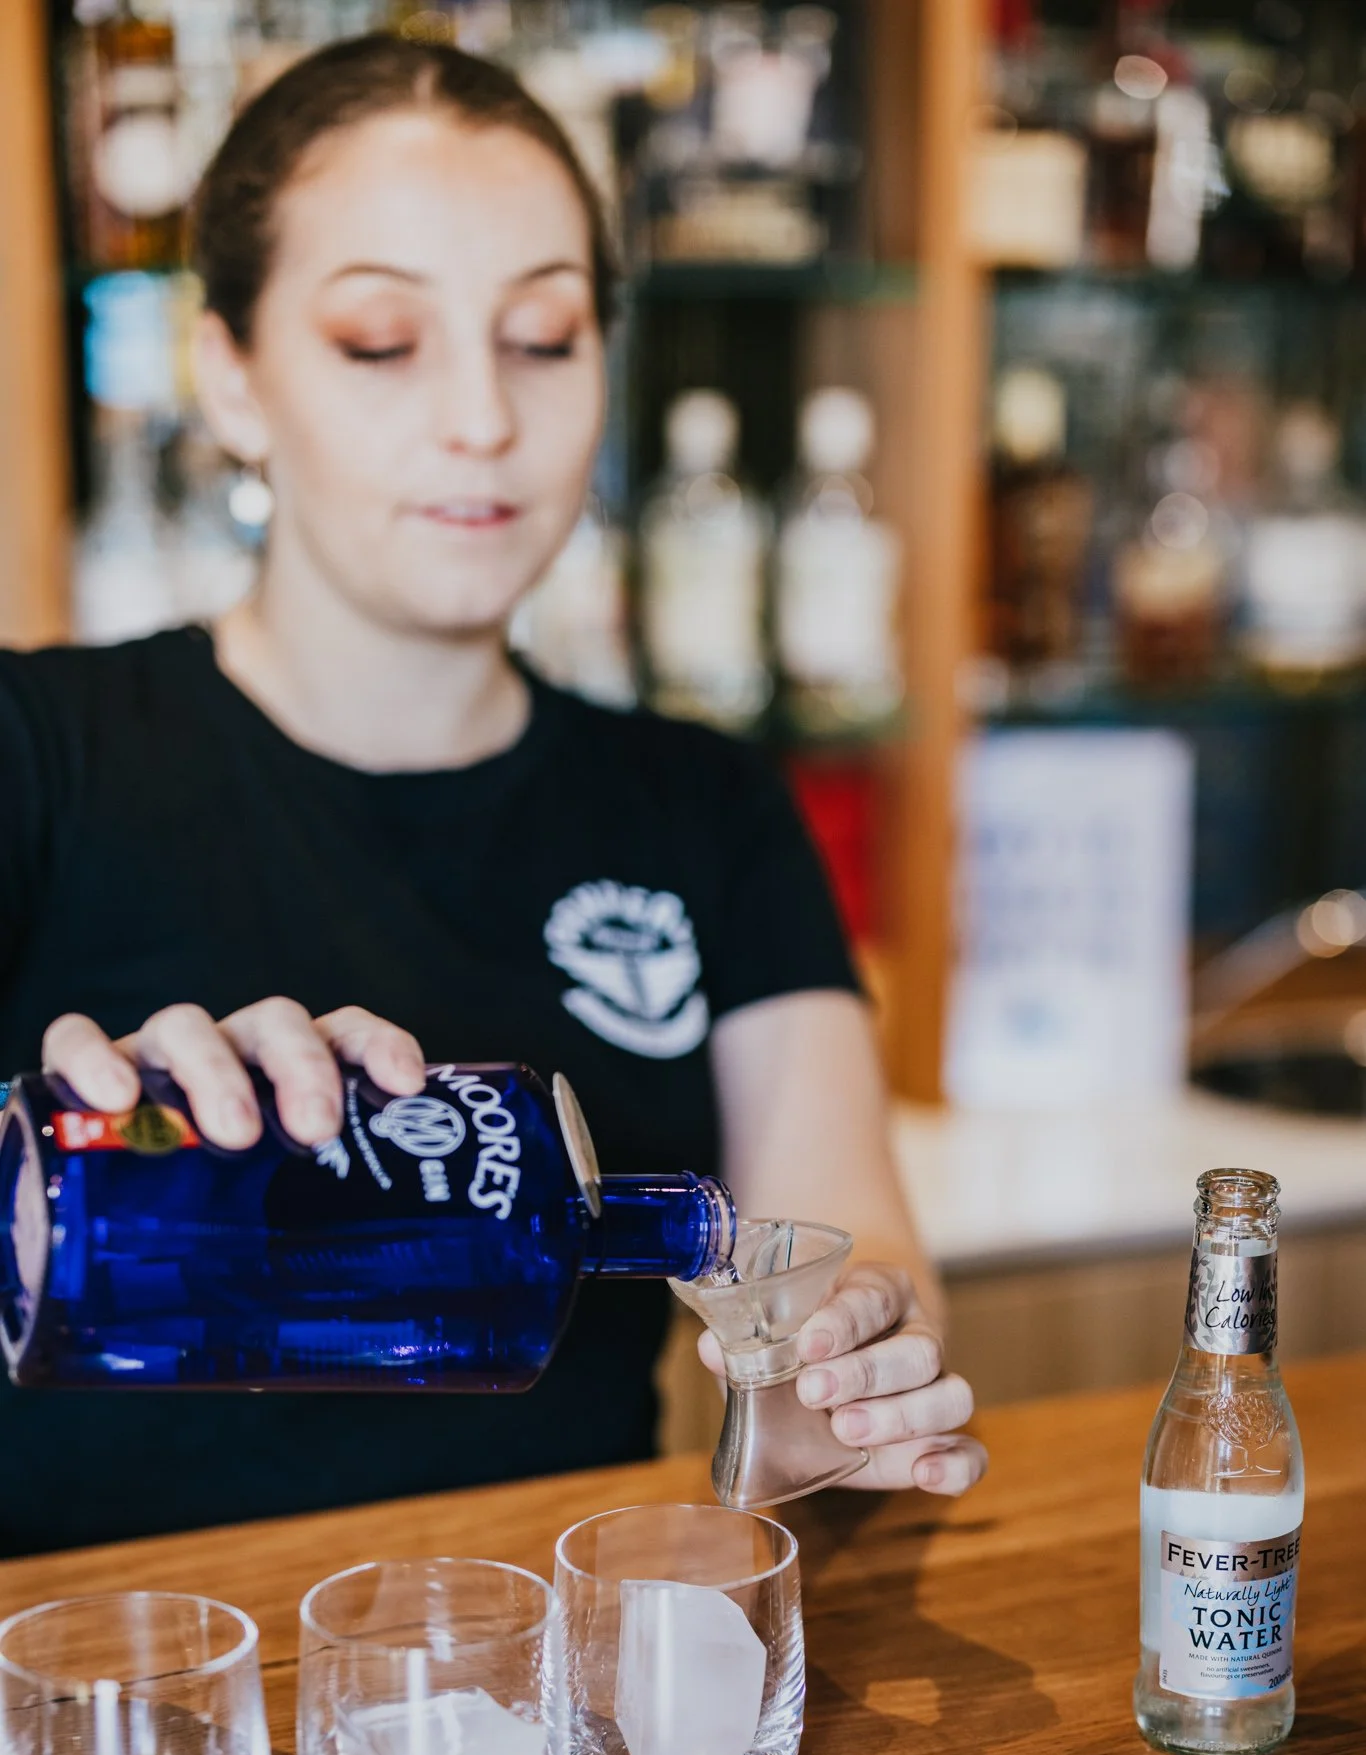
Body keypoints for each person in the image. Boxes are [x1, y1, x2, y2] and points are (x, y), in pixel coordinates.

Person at [0, 35, 983, 1558]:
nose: (481, 417)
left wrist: (823, 1398)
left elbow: (843, 1255)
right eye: (382, 341)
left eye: (541, 334)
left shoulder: (703, 806)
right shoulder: (38, 749)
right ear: (232, 380)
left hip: (556, 1694)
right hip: (125, 1722)